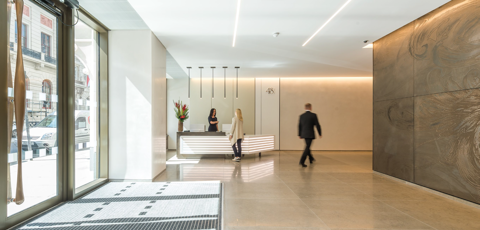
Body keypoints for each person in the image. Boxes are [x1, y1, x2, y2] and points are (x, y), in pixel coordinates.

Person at [298, 103, 322, 167]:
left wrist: (299, 134)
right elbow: (317, 125)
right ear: (311, 108)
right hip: (310, 134)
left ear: (305, 108)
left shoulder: (301, 116)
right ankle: (302, 161)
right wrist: (320, 133)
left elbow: (299, 126)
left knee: (307, 146)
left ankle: (311, 158)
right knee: (307, 147)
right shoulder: (313, 115)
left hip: (304, 134)